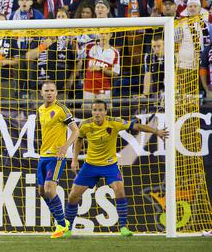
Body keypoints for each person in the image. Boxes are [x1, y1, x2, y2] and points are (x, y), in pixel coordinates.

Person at [63, 100, 168, 238]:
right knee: (73, 196)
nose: (97, 113)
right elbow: (79, 140)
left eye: (100, 110)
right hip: (90, 166)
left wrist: (156, 131)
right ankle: (67, 228)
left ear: (105, 112)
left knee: (119, 190)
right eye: (95, 110)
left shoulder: (115, 122)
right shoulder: (85, 124)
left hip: (109, 165)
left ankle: (123, 228)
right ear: (92, 111)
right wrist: (74, 159)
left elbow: (136, 126)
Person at [37, 81, 79, 239]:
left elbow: (76, 131)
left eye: (52, 90)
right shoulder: (41, 109)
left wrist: (65, 147)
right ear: (41, 93)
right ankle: (62, 222)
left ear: (56, 93)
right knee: (42, 191)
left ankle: (61, 224)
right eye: (46, 90)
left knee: (49, 189)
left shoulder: (61, 109)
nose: (49, 93)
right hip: (43, 156)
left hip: (57, 156)